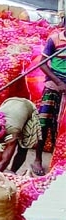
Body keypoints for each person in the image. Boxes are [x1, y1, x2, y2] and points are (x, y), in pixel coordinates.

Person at [36, 20, 66, 175]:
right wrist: (59, 82)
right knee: (44, 121)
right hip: (54, 83)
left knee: (62, 125)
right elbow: (42, 64)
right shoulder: (54, 39)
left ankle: (59, 159)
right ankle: (37, 159)